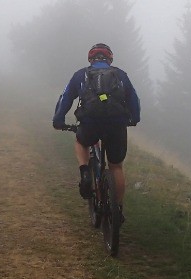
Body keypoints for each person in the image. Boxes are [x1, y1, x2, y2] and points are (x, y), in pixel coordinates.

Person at [52, 43, 141, 218]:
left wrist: (58, 119)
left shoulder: (81, 74)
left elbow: (66, 97)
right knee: (116, 167)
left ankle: (85, 172)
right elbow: (134, 100)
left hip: (90, 122)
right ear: (110, 59)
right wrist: (134, 119)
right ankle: (118, 210)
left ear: (90, 59)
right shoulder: (120, 75)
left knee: (81, 141)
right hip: (116, 124)